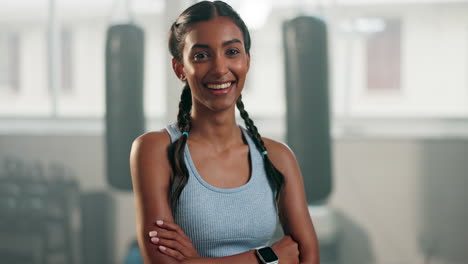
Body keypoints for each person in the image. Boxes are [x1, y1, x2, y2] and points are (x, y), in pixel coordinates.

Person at [130, 1, 319, 263]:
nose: (220, 69)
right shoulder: (154, 150)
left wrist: (197, 261)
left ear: (247, 60)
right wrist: (267, 258)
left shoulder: (277, 156)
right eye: (201, 55)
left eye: (232, 51)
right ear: (179, 68)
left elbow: (307, 257)